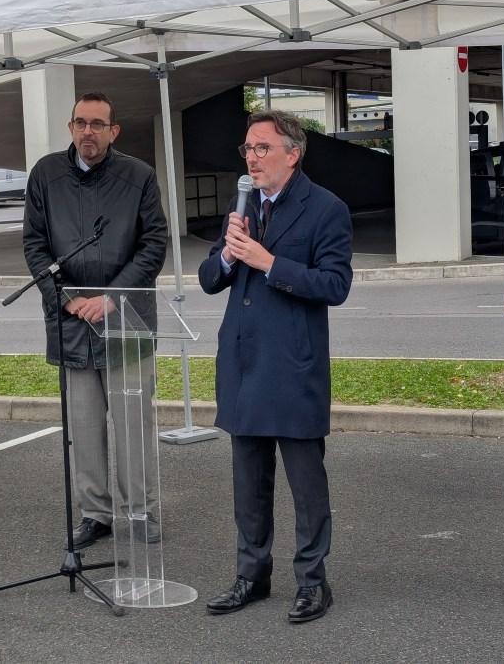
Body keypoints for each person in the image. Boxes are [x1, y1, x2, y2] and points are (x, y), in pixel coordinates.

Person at [199, 110, 353, 624]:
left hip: (292, 366)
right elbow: (209, 278)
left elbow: (335, 285)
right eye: (248, 148)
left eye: (262, 148)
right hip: (243, 363)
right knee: (249, 483)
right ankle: (252, 576)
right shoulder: (240, 205)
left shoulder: (325, 208)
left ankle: (312, 582)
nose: (252, 157)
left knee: (306, 487)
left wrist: (267, 262)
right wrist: (228, 255)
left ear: (293, 154)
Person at [22, 91, 168, 550]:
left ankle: (141, 510)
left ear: (113, 131)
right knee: (84, 429)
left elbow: (154, 244)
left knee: (133, 427)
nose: (88, 131)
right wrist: (66, 298)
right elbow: (34, 244)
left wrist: (111, 296)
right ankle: (95, 514)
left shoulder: (139, 176)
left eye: (98, 124)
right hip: (73, 325)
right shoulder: (45, 175)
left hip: (125, 320)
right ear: (70, 127)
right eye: (81, 123)